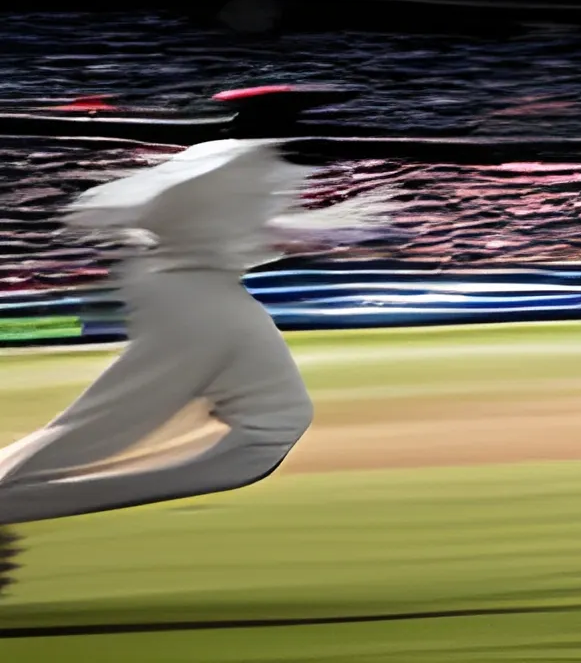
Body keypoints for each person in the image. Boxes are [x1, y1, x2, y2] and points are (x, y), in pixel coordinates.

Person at [0, 86, 396, 570]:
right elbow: (101, 209)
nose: (320, 137)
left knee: (274, 424)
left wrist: (316, 232)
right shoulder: (226, 161)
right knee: (108, 422)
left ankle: (11, 501)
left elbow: (243, 227)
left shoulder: (256, 163)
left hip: (205, 287)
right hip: (185, 290)